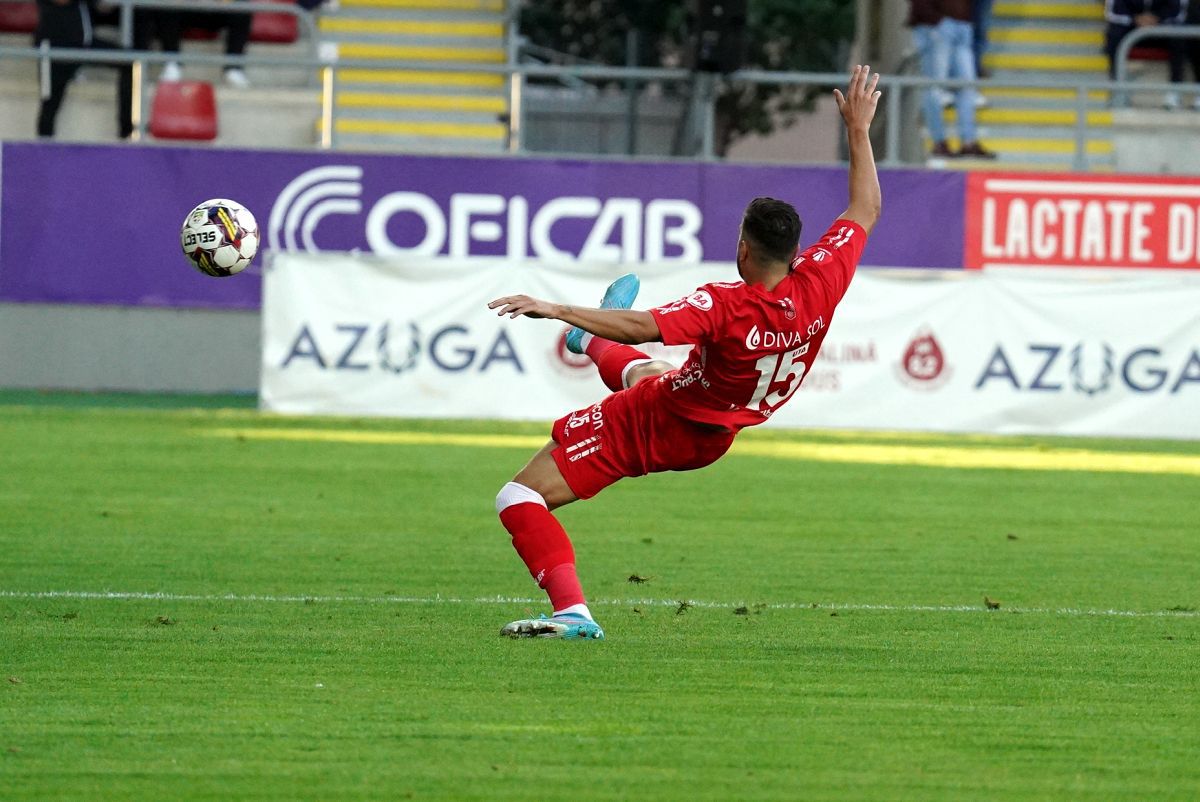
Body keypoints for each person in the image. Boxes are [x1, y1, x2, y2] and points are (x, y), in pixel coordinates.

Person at [484, 66, 884, 641]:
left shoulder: (727, 305)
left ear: (744, 249)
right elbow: (865, 208)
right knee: (653, 374)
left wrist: (558, 308)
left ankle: (573, 613)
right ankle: (583, 345)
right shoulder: (821, 280)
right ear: (797, 252)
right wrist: (858, 129)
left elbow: (642, 325)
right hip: (714, 430)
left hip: (664, 424)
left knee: (518, 495)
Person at [34, 0, 133, 139]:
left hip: (84, 43)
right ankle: (43, 149)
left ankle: (127, 133)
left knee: (130, 62)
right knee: (50, 104)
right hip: (55, 47)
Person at [908, 0, 994, 158]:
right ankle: (938, 142)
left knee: (967, 86)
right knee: (935, 86)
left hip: (962, 23)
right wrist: (934, 19)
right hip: (935, 23)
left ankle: (968, 142)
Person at [1104, 0, 1187, 110]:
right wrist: (1135, 19)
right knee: (1114, 34)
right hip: (1132, 27)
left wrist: (1157, 18)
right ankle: (1118, 87)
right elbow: (1113, 11)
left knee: (1178, 37)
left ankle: (1175, 92)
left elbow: (1178, 11)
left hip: (1160, 28)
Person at [151, 0, 253, 87]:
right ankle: (172, 63)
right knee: (167, 7)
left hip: (218, 9)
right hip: (187, 8)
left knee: (241, 7)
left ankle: (233, 68)